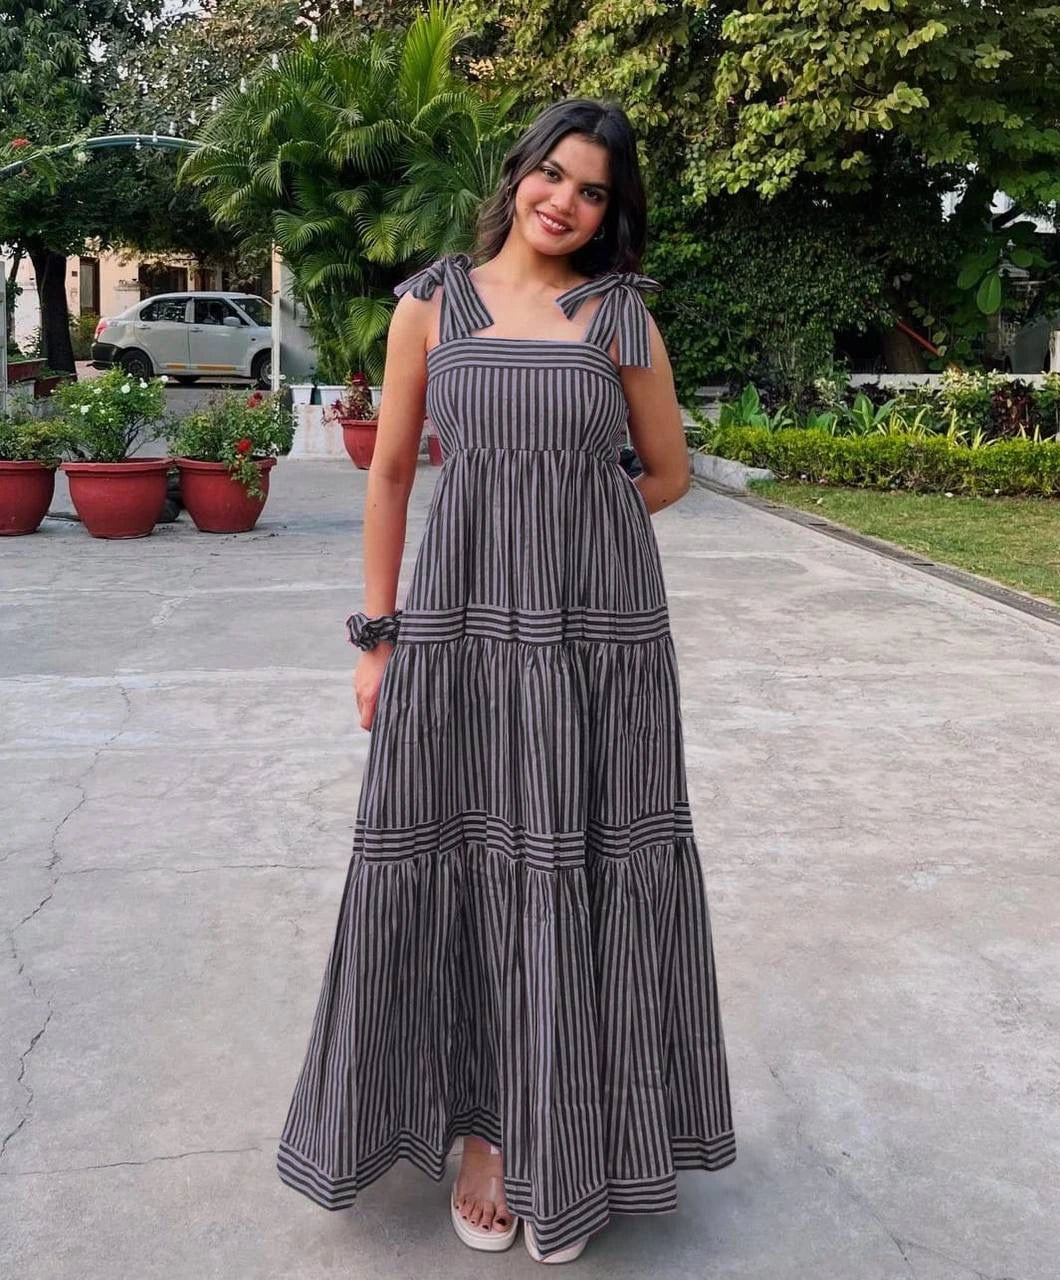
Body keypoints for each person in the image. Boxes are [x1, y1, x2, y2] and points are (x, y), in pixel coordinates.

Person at [276, 97, 736, 1265]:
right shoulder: (432, 304)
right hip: (460, 634)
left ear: (609, 212)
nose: (566, 202)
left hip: (599, 642)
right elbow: (388, 477)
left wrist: (571, 538)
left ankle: (572, 1143)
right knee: (472, 863)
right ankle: (485, 1138)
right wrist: (378, 636)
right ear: (519, 172)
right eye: (554, 175)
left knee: (583, 866)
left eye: (593, 192)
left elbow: (669, 472)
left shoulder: (620, 317)